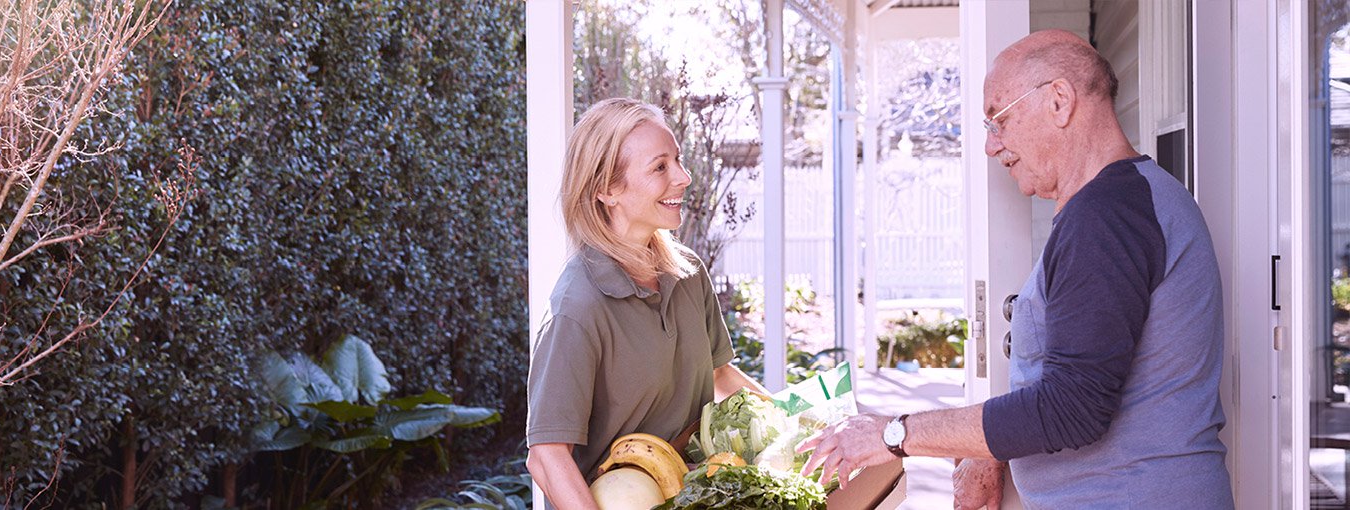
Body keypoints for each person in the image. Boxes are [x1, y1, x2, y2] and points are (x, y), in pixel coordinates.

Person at [796, 30, 1234, 509]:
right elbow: (1077, 375)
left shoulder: (1107, 217)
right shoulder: (1127, 199)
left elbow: (1072, 409)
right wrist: (990, 451)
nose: (991, 145)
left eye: (998, 120)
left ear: (1060, 101)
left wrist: (891, 433)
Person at [525, 97, 767, 508]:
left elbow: (721, 375)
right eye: (660, 167)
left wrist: (799, 426)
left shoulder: (687, 274)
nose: (684, 177)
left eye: (678, 160)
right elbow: (546, 456)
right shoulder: (578, 308)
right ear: (606, 189)